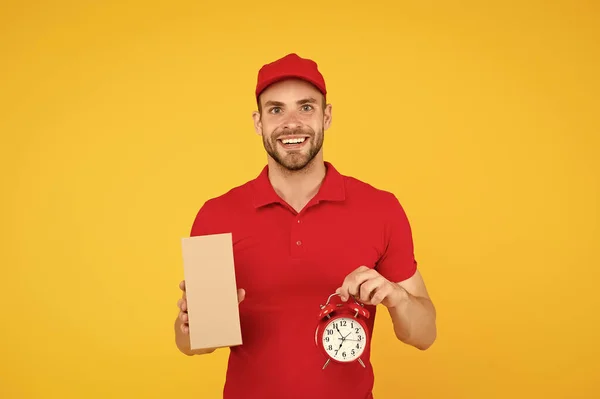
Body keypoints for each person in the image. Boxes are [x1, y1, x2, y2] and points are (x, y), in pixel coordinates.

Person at [174, 53, 437, 399]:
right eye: (276, 110)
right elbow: (193, 345)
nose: (291, 123)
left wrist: (397, 298)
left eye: (306, 107)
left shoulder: (381, 208)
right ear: (258, 122)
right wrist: (189, 325)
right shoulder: (217, 215)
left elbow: (424, 334)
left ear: (326, 116)